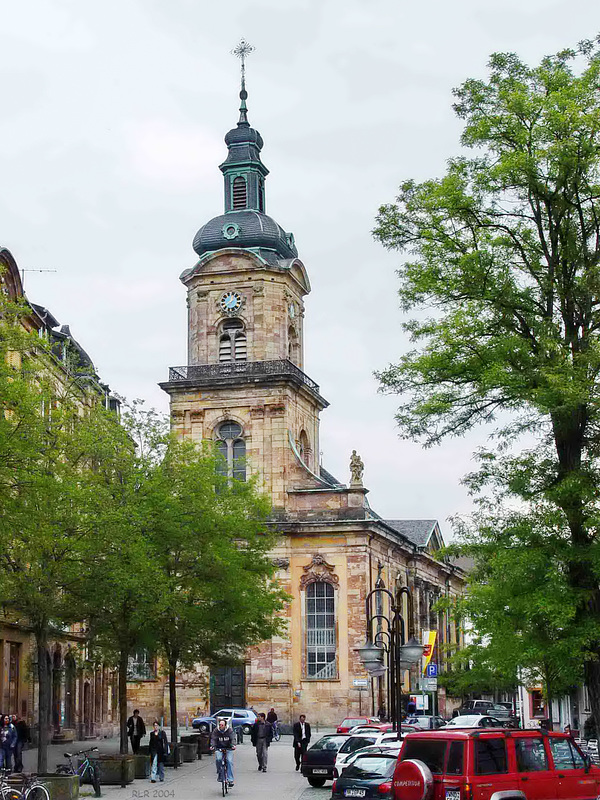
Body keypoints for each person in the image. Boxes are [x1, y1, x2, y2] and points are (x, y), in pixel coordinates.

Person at [210, 717, 236, 788]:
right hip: (219, 748)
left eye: (222, 725)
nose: (220, 726)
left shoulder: (229, 730)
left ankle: (230, 779)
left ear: (225, 725)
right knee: (218, 759)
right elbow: (213, 739)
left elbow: (232, 738)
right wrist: (212, 746)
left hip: (228, 748)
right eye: (220, 725)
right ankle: (220, 773)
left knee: (229, 761)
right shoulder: (216, 731)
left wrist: (233, 745)